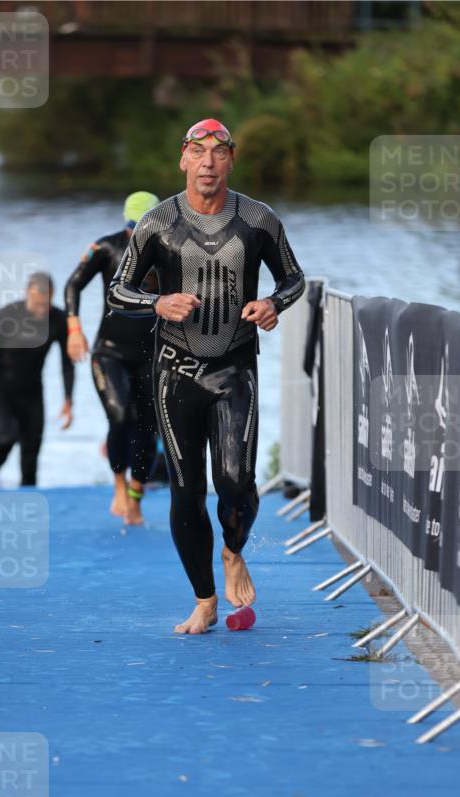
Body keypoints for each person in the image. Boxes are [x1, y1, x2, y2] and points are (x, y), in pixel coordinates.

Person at [108, 118, 305, 633]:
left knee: (236, 481)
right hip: (175, 373)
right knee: (185, 489)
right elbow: (117, 290)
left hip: (235, 369)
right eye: (198, 152)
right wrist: (157, 302)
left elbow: (293, 277)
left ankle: (234, 549)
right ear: (183, 159)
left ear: (231, 160)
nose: (208, 163)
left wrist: (272, 303)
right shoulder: (157, 223)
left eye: (218, 153)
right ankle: (204, 599)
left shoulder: (258, 220)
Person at [65, 191, 161, 524]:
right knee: (120, 416)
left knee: (149, 428)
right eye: (135, 227)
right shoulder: (106, 248)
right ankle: (119, 483)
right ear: (126, 224)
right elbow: (73, 286)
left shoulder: (171, 251)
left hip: (153, 354)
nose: (141, 235)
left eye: (148, 228)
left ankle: (136, 494)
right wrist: (74, 329)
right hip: (109, 353)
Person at [0, 272, 74, 487]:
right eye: (37, 303)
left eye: (45, 304)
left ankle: (28, 505)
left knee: (31, 454)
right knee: (6, 437)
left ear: (53, 296)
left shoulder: (58, 320)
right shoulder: (6, 315)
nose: (41, 310)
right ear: (27, 293)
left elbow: (66, 363)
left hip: (32, 393)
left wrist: (68, 399)